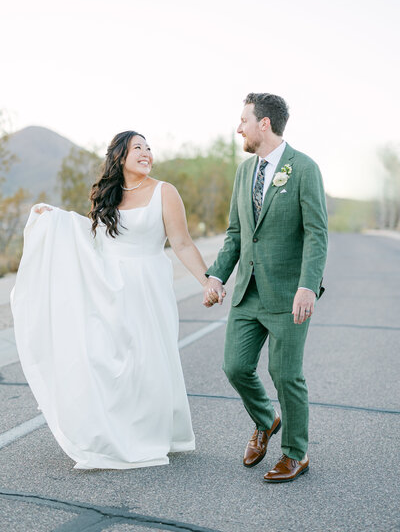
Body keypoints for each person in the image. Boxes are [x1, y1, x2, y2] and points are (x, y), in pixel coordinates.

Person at [11, 131, 211, 469]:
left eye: (149, 148)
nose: (146, 153)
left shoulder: (165, 192)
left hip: (148, 287)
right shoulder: (108, 196)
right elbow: (93, 240)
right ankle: (112, 432)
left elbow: (182, 243)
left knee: (148, 362)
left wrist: (206, 282)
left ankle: (152, 435)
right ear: (119, 156)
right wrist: (55, 219)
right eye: (138, 148)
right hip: (108, 288)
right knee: (107, 361)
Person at [203, 93, 328, 483]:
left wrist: (308, 285)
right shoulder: (245, 172)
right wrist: (217, 276)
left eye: (244, 120)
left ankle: (295, 453)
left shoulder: (304, 168)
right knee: (235, 366)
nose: (238, 127)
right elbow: (237, 234)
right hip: (247, 293)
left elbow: (316, 233)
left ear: (265, 124)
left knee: (284, 373)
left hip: (289, 295)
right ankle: (265, 419)